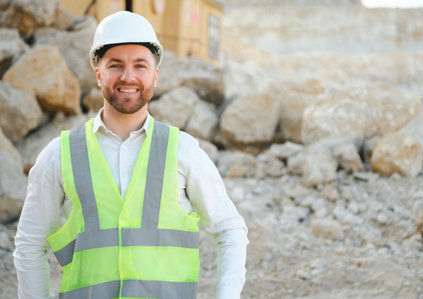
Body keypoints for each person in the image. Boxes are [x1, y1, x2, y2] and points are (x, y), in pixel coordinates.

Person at [13, 11, 248, 299]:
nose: (128, 76)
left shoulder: (184, 151)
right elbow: (29, 244)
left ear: (155, 75)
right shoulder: (59, 155)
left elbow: (230, 231)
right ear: (98, 73)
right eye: (115, 65)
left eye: (140, 65)